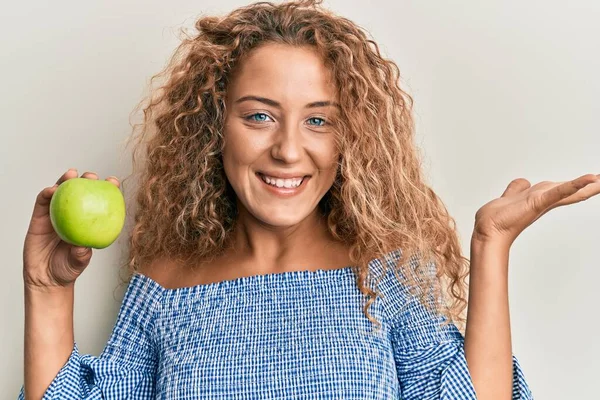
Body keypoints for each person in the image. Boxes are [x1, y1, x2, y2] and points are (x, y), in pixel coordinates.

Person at [19, 0, 600, 399]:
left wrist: (490, 244)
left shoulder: (384, 278)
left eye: (319, 120)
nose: (289, 149)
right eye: (260, 116)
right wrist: (48, 290)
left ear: (351, 137)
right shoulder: (167, 286)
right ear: (213, 125)